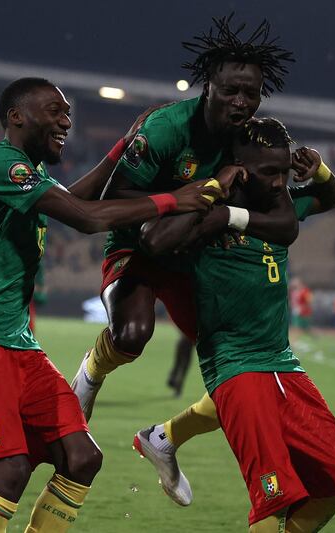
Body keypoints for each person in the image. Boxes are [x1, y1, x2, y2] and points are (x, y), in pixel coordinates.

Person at [0, 77, 227, 533]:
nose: (66, 121)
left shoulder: (29, 172)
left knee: (83, 457)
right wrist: (174, 200)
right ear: (16, 116)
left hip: (16, 339)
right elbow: (86, 218)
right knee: (10, 471)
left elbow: (74, 199)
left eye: (68, 113)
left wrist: (124, 146)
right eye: (55, 111)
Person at [133, 118, 335, 531]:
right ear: (238, 165)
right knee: (272, 497)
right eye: (268, 172)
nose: (278, 183)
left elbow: (329, 196)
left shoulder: (279, 207)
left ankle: (163, 436)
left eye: (284, 173)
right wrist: (214, 195)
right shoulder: (206, 209)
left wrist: (320, 169)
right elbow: (155, 240)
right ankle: (164, 436)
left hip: (282, 362)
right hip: (234, 365)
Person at [72, 15, 298, 421]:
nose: (241, 103)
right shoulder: (166, 129)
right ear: (209, 84)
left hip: (194, 252)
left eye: (252, 93)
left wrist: (317, 174)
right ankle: (89, 374)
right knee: (133, 335)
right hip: (137, 244)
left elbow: (285, 209)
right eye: (231, 91)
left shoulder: (249, 139)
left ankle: (168, 438)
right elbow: (115, 198)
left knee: (235, 356)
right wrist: (192, 195)